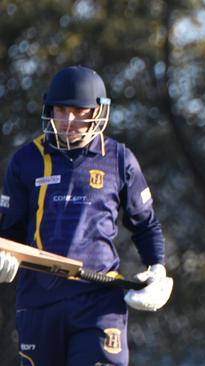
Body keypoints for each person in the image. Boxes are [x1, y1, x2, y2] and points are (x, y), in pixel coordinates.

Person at [0, 65, 173, 366]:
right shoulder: (26, 160)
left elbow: (145, 225)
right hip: (39, 303)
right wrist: (3, 254)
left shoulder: (119, 158)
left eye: (79, 111)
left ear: (98, 112)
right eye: (61, 110)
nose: (68, 120)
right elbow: (9, 230)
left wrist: (157, 271)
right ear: (49, 109)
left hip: (99, 300)